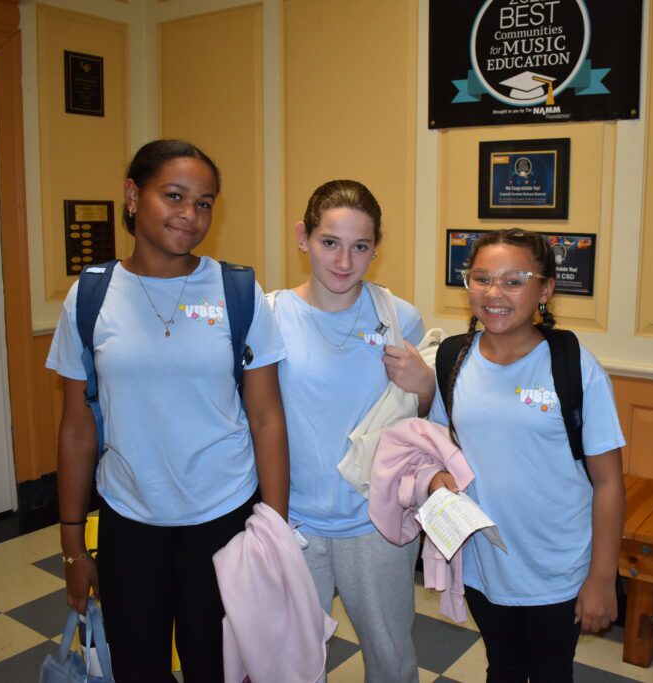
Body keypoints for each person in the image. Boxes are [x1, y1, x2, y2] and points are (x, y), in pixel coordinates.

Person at [47, 139, 289, 682]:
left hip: (223, 514)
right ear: (133, 196)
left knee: (218, 666)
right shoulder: (90, 297)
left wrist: (274, 530)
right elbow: (77, 429)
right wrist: (71, 546)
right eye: (174, 196)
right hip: (129, 516)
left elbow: (267, 418)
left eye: (204, 203)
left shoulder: (238, 292)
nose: (191, 215)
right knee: (137, 666)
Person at [429, 228, 626, 682]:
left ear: (546, 290)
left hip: (557, 571)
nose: (494, 293)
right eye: (481, 278)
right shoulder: (453, 360)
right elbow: (440, 448)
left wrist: (601, 577)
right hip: (484, 565)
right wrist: (438, 477)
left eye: (514, 281)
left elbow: (609, 481)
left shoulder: (574, 366)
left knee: (549, 671)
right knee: (503, 666)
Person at [269, 179, 435, 683]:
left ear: (376, 249)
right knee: (293, 665)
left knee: (390, 657)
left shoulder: (398, 316)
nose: (344, 261)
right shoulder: (269, 314)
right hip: (294, 522)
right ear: (303, 237)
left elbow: (423, 425)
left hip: (377, 525)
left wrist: (426, 387)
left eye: (360, 246)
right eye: (330, 243)